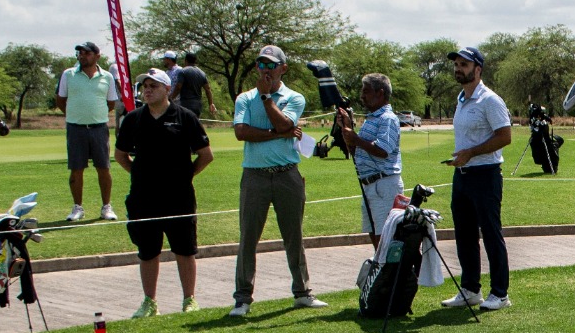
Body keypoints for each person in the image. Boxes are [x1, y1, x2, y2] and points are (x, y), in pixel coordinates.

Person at [228, 45, 328, 316]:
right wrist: (275, 132)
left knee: (293, 236)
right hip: (254, 175)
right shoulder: (244, 98)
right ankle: (243, 299)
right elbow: (241, 132)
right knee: (248, 238)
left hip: (287, 175)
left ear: (283, 68)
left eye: (271, 65)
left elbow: (287, 125)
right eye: (261, 65)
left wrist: (267, 100)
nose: (265, 70)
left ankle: (302, 293)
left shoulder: (294, 97)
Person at [114, 69, 213, 317]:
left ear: (167, 89)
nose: (147, 90)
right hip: (143, 197)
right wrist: (139, 174)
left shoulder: (185, 117)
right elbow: (120, 155)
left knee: (184, 249)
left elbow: (205, 155)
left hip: (178, 196)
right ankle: (149, 301)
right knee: (148, 250)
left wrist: (185, 175)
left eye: (153, 86)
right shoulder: (133, 119)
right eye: (144, 86)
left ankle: (189, 299)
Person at [442, 46, 512, 312]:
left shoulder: (490, 100)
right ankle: (471, 289)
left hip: (485, 175)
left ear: (477, 69)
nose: (458, 68)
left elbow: (504, 136)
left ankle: (500, 293)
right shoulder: (461, 99)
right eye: (457, 64)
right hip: (462, 175)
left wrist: (471, 153)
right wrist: (463, 157)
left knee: (491, 234)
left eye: (464, 64)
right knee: (465, 235)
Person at [335, 73, 402, 249]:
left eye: (366, 92)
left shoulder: (387, 119)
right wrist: (347, 129)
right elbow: (356, 152)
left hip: (384, 184)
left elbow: (383, 150)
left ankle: (390, 272)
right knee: (373, 232)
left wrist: (356, 139)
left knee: (385, 236)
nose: (362, 96)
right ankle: (381, 270)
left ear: (380, 93)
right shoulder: (371, 118)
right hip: (370, 184)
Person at [56, 41, 121, 222]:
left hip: (99, 128)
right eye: (80, 53)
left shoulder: (107, 77)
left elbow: (110, 103)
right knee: (76, 169)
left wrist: (94, 115)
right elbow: (61, 100)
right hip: (75, 128)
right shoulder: (68, 74)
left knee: (103, 167)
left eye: (86, 53)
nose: (82, 56)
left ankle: (106, 207)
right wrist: (75, 115)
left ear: (97, 56)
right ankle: (78, 207)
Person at [170, 51, 217, 118]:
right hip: (197, 105)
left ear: (185, 60)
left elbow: (178, 87)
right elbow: (208, 89)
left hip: (185, 103)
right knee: (194, 125)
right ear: (195, 61)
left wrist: (171, 99)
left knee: (184, 125)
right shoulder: (202, 73)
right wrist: (211, 103)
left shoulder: (183, 71)